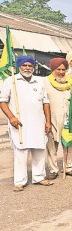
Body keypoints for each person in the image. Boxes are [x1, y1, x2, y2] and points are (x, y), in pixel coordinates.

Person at [0, 55, 53, 191]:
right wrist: (11, 117)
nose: (28, 68)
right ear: (19, 67)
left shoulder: (39, 81)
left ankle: (39, 177)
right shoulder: (10, 81)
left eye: (30, 65)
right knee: (21, 152)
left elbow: (45, 103)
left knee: (39, 150)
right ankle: (20, 181)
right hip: (19, 123)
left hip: (38, 123)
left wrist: (48, 121)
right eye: (25, 65)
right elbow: (3, 101)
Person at [44, 58, 72, 180]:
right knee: (51, 145)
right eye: (58, 69)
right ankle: (53, 169)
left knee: (69, 143)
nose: (61, 72)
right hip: (52, 118)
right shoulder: (45, 82)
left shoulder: (70, 83)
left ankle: (69, 167)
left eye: (63, 69)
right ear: (52, 69)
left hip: (68, 118)